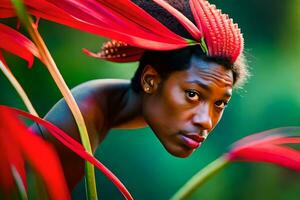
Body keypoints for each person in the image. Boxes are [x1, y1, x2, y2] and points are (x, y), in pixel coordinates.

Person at [32, 0, 249, 190]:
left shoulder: (107, 109)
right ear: (150, 81)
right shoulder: (79, 117)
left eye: (220, 103)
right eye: (192, 94)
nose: (205, 120)